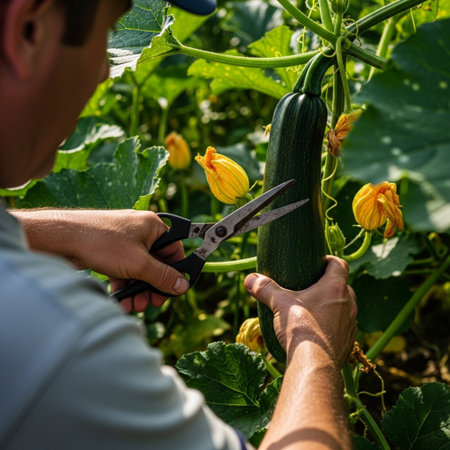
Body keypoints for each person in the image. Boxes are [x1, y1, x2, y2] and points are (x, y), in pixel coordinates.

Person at [0, 0, 357, 449]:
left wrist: (54, 232)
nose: (103, 73)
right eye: (107, 33)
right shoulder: (57, 341)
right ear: (28, 29)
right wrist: (318, 348)